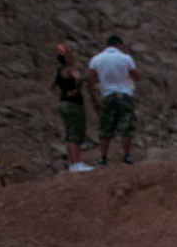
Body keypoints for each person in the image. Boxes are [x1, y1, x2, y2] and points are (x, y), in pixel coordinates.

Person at [87, 34, 140, 166]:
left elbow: (90, 81)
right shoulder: (126, 58)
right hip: (125, 95)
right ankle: (127, 156)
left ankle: (103, 158)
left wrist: (94, 100)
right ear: (119, 44)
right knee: (127, 126)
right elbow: (136, 76)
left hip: (108, 96)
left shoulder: (96, 60)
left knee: (106, 127)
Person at [49, 41, 92, 173]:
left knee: (68, 134)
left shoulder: (58, 72)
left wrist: (61, 95)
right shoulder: (71, 70)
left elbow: (51, 86)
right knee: (75, 134)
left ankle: (71, 163)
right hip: (74, 105)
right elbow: (78, 79)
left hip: (63, 104)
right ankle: (77, 163)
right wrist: (76, 91)